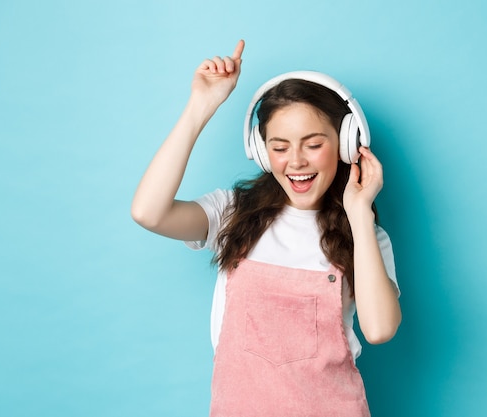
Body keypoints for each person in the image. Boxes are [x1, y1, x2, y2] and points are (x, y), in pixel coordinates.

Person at [131, 39, 402, 416]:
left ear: (344, 144)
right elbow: (149, 212)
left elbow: (380, 329)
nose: (295, 161)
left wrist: (360, 214)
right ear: (260, 151)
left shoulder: (366, 236)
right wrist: (200, 107)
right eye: (279, 146)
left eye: (313, 144)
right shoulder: (233, 212)